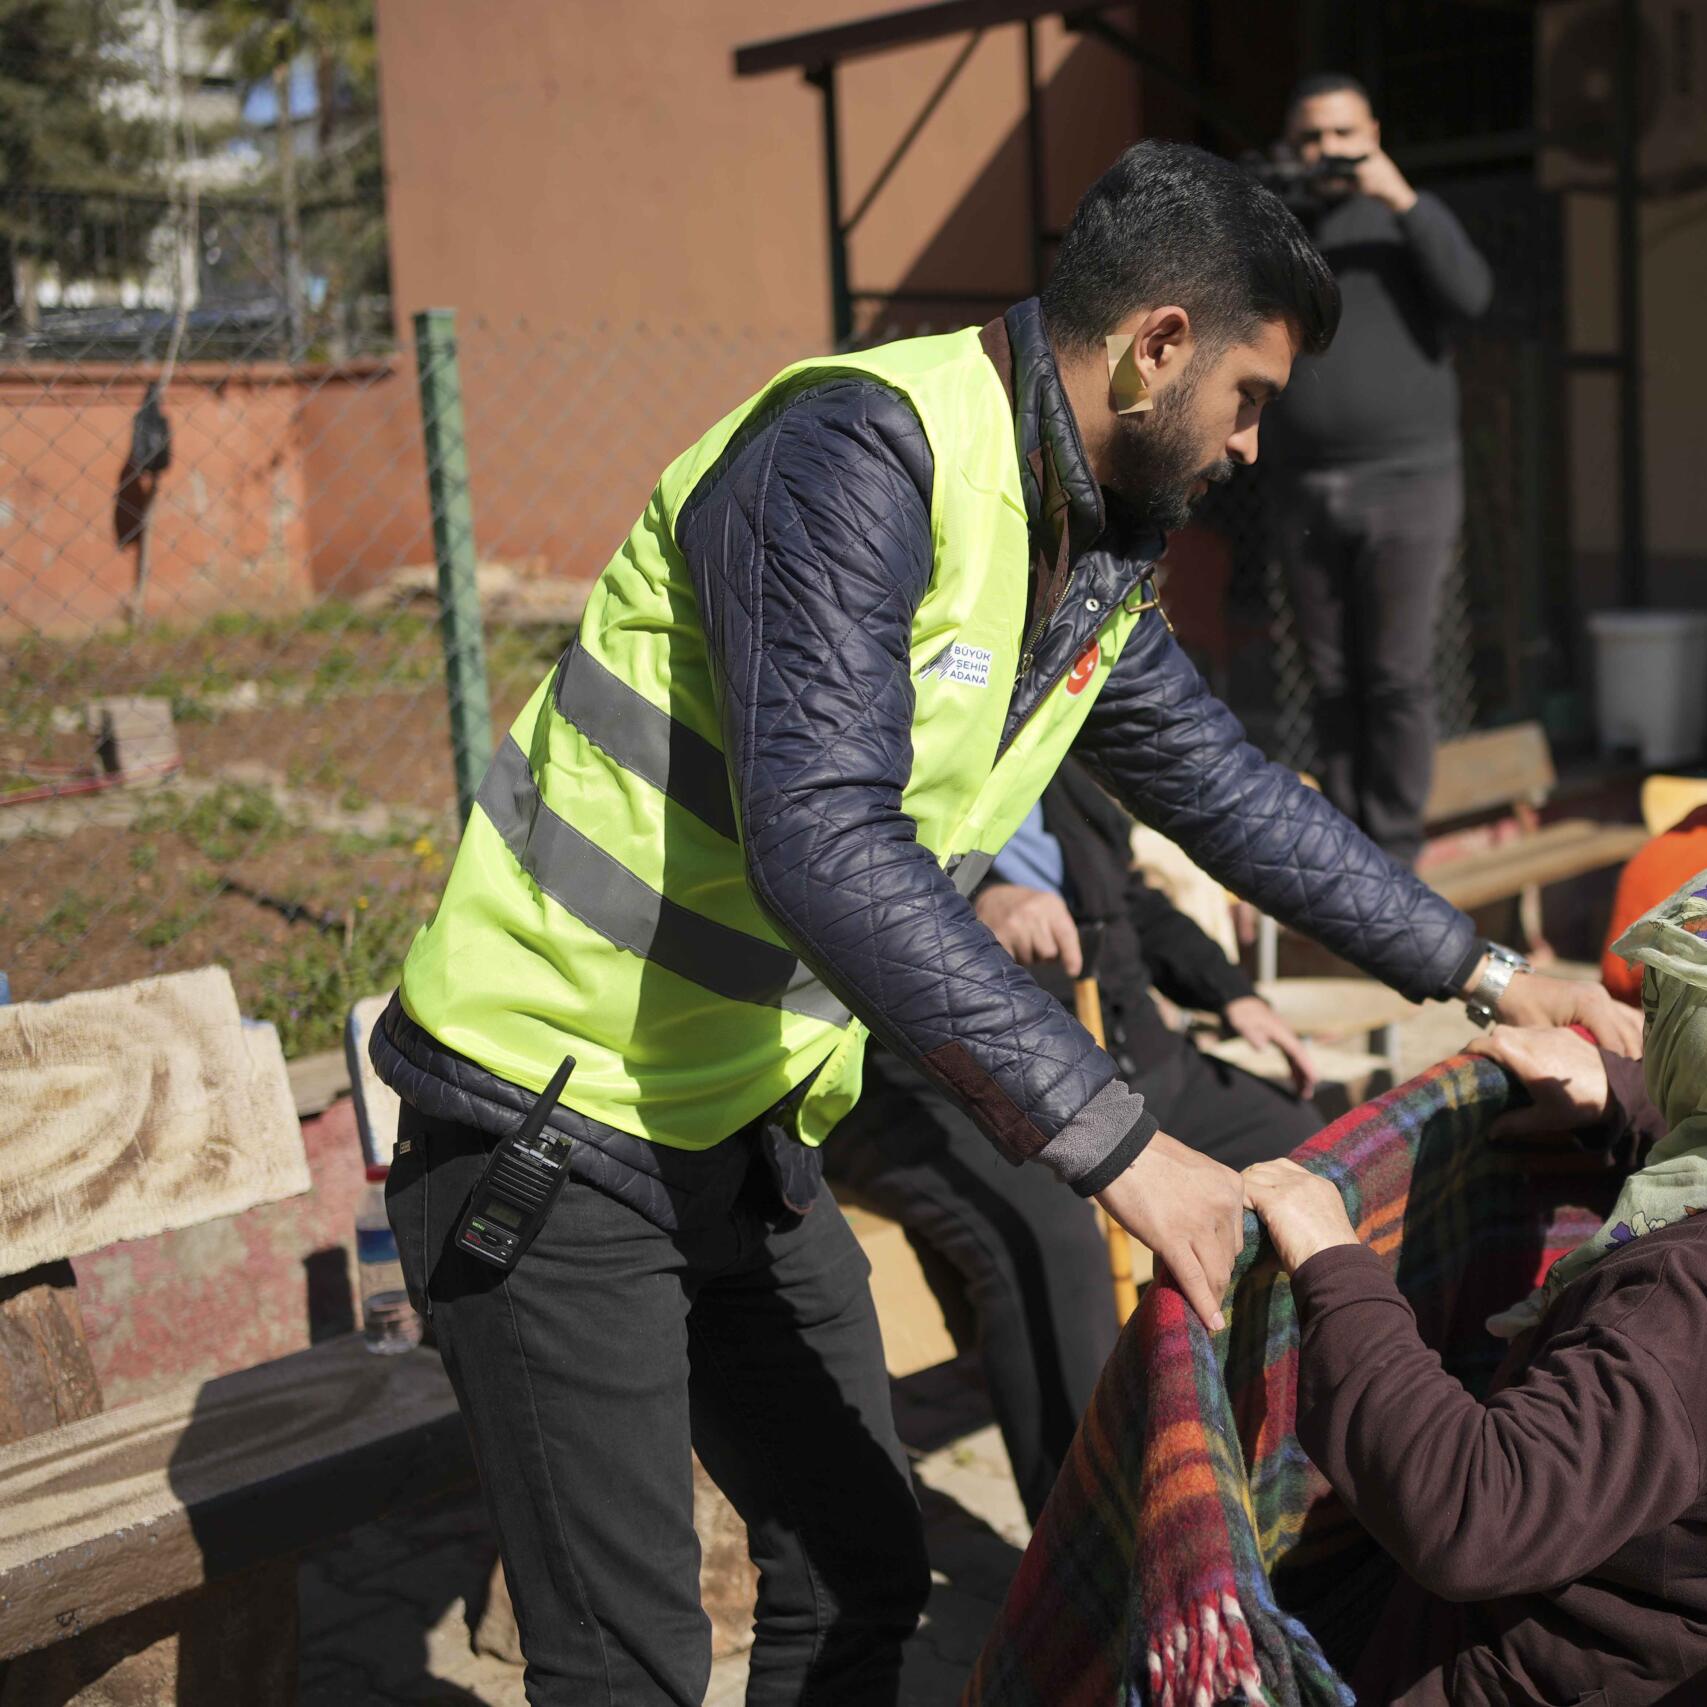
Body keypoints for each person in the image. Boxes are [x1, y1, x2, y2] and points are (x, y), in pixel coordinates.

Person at [371, 141, 1635, 1706]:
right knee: (627, 1659)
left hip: (729, 1120)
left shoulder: (1085, 546)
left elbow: (1233, 796)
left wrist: (1500, 975)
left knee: (860, 1567)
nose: (1250, 445)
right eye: (1247, 395)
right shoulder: (849, 456)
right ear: (1160, 343)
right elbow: (823, 840)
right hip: (546, 1125)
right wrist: (1122, 1144)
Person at [1244, 853, 1707, 1705]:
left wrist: (1337, 1265)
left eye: (1668, 1012)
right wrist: (1627, 1096)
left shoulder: (1696, 1307)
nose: (1649, 1024)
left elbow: (1471, 1511)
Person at [827, 759, 1324, 1516]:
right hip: (945, 1073)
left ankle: (1279, 1448)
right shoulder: (895, 726)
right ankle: (1097, 1537)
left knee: (1296, 1145)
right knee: (1047, 1240)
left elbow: (1126, 897)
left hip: (1123, 1049)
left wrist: (1232, 992)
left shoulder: (1051, 740)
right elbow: (839, 868)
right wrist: (979, 898)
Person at [1261, 72, 1493, 863]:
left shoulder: (1405, 216)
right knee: (1331, 680)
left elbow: (1473, 295)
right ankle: (1349, 845)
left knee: (1395, 674)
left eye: (1343, 135)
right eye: (1311, 138)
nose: (1328, 152)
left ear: (1375, 134)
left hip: (1408, 480)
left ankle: (1395, 851)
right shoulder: (1280, 226)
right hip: (1302, 481)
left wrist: (1397, 194)